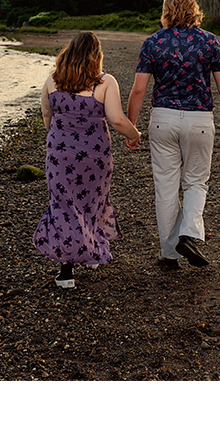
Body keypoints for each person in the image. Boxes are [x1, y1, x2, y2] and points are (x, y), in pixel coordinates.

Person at [126, 0, 220, 270]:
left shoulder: (153, 42)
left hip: (163, 119)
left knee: (165, 186)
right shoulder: (209, 41)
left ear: (166, 5)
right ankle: (188, 234)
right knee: (196, 182)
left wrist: (130, 127)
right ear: (194, 5)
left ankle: (169, 254)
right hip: (199, 119)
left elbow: (138, 90)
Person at [34, 31, 142, 289]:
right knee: (92, 202)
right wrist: (135, 135)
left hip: (60, 154)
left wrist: (56, 138)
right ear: (96, 56)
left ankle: (67, 270)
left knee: (63, 205)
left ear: (69, 52)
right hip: (95, 156)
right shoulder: (105, 82)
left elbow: (46, 114)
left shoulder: (53, 79)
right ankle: (89, 252)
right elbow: (117, 119)